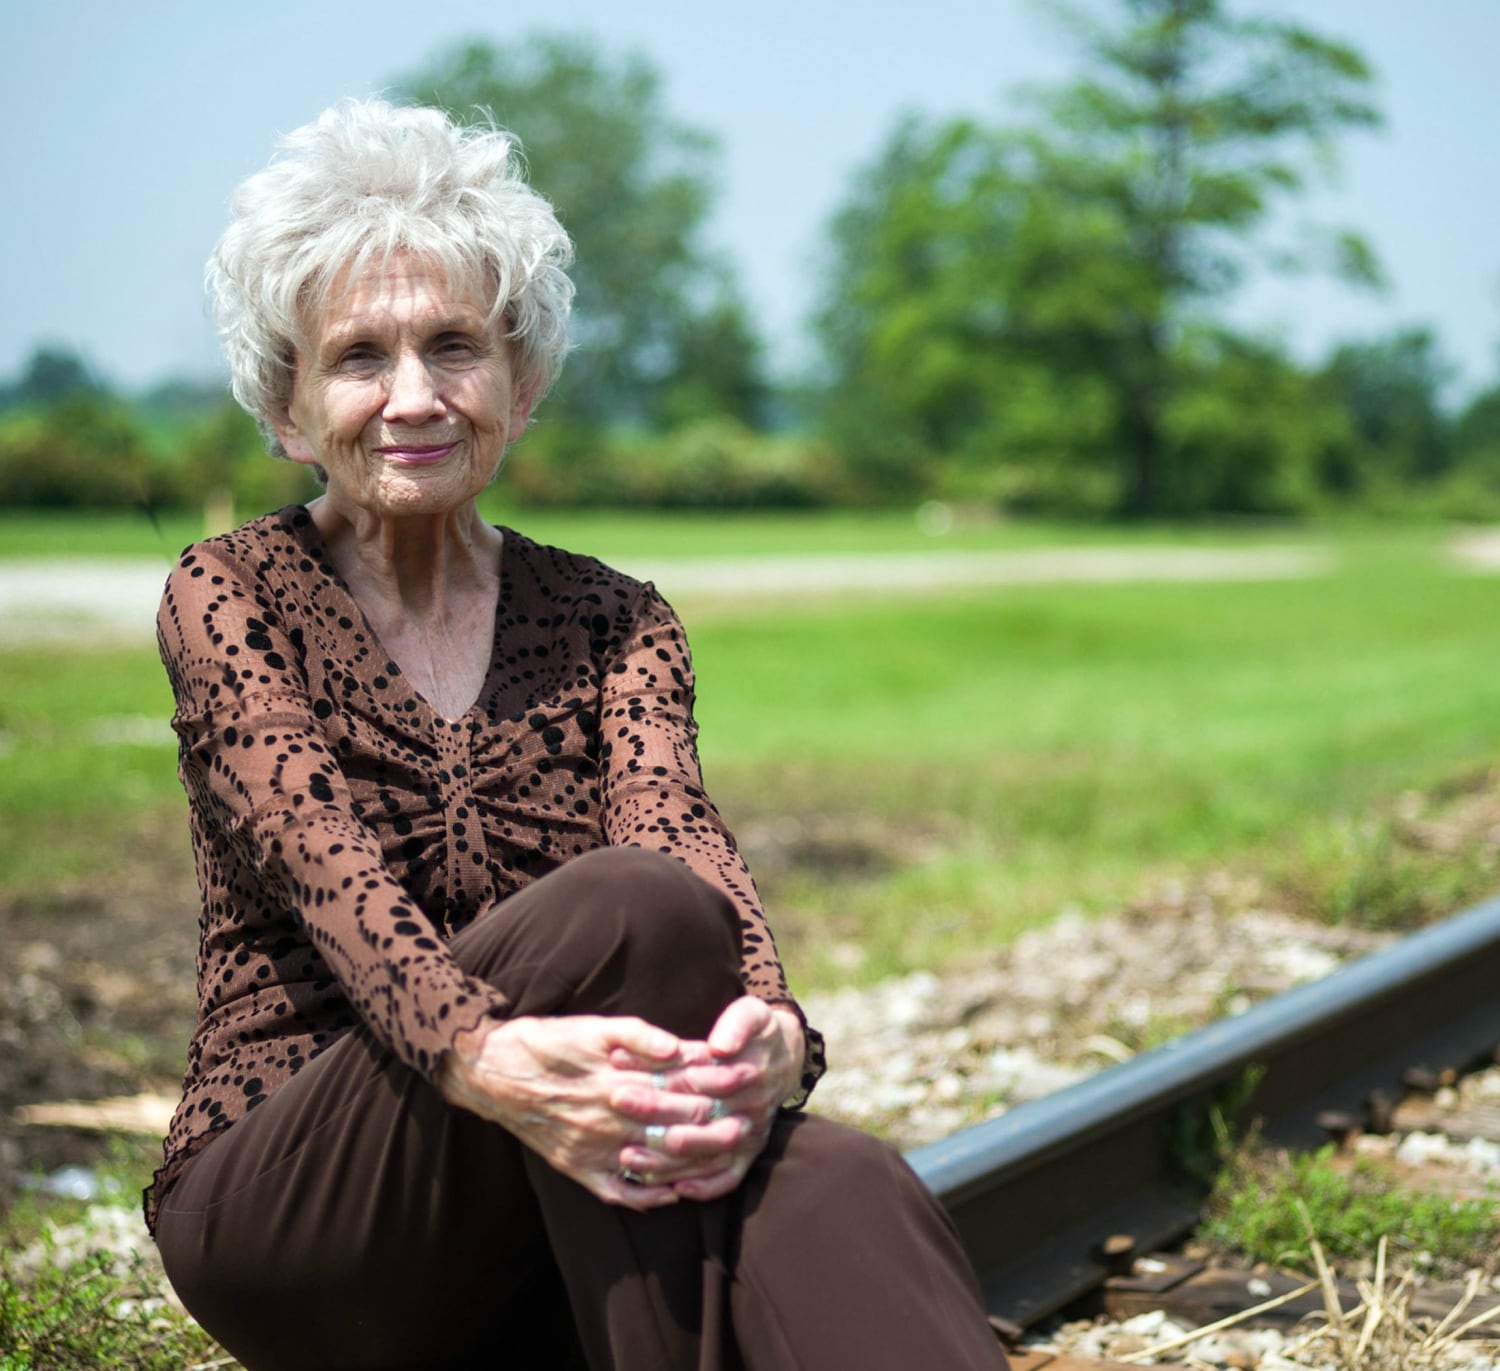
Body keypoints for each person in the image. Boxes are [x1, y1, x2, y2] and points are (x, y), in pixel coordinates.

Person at [147, 97, 1008, 1371]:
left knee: (844, 1183)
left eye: (454, 346)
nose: (413, 398)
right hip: (298, 1197)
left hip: (545, 1176)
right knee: (626, 911)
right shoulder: (232, 594)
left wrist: (772, 1033)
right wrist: (484, 1058)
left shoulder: (618, 620)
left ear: (523, 379)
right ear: (284, 407)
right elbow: (328, 872)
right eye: (358, 358)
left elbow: (683, 832)